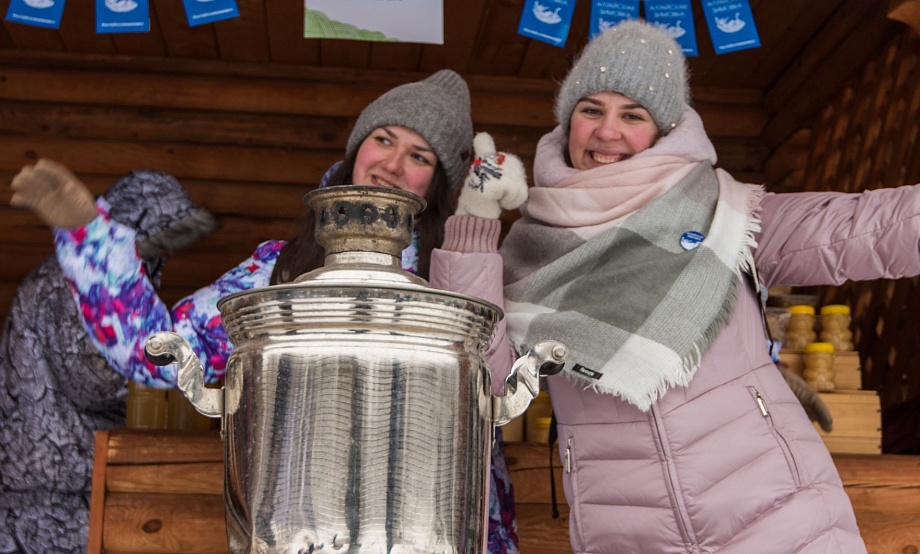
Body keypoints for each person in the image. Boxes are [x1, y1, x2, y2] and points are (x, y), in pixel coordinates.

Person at [9, 69, 529, 553]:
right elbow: (160, 351)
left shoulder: (455, 270)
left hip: (440, 528)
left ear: (438, 183)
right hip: (303, 529)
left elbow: (497, 382)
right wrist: (92, 239)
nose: (392, 164)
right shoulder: (278, 271)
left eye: (420, 156)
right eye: (384, 139)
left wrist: (474, 228)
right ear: (356, 151)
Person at [499, 19, 920, 553]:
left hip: (778, 523)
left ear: (664, 130)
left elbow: (862, 230)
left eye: (633, 114)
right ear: (567, 121)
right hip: (629, 533)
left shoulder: (728, 215)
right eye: (591, 110)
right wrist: (471, 226)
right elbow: (487, 375)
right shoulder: (524, 253)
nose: (608, 132)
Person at [1, 169, 215, 554]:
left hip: (73, 480)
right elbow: (89, 378)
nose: (167, 252)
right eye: (162, 239)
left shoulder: (109, 281)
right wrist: (157, 379)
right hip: (47, 493)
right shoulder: (71, 284)